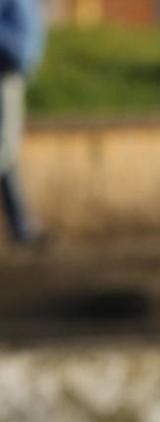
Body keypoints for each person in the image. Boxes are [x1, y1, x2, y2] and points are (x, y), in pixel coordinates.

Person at [0, 0, 44, 245]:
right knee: (5, 151)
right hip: (4, 73)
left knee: (8, 155)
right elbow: (19, 46)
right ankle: (20, 226)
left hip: (11, 74)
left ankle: (19, 225)